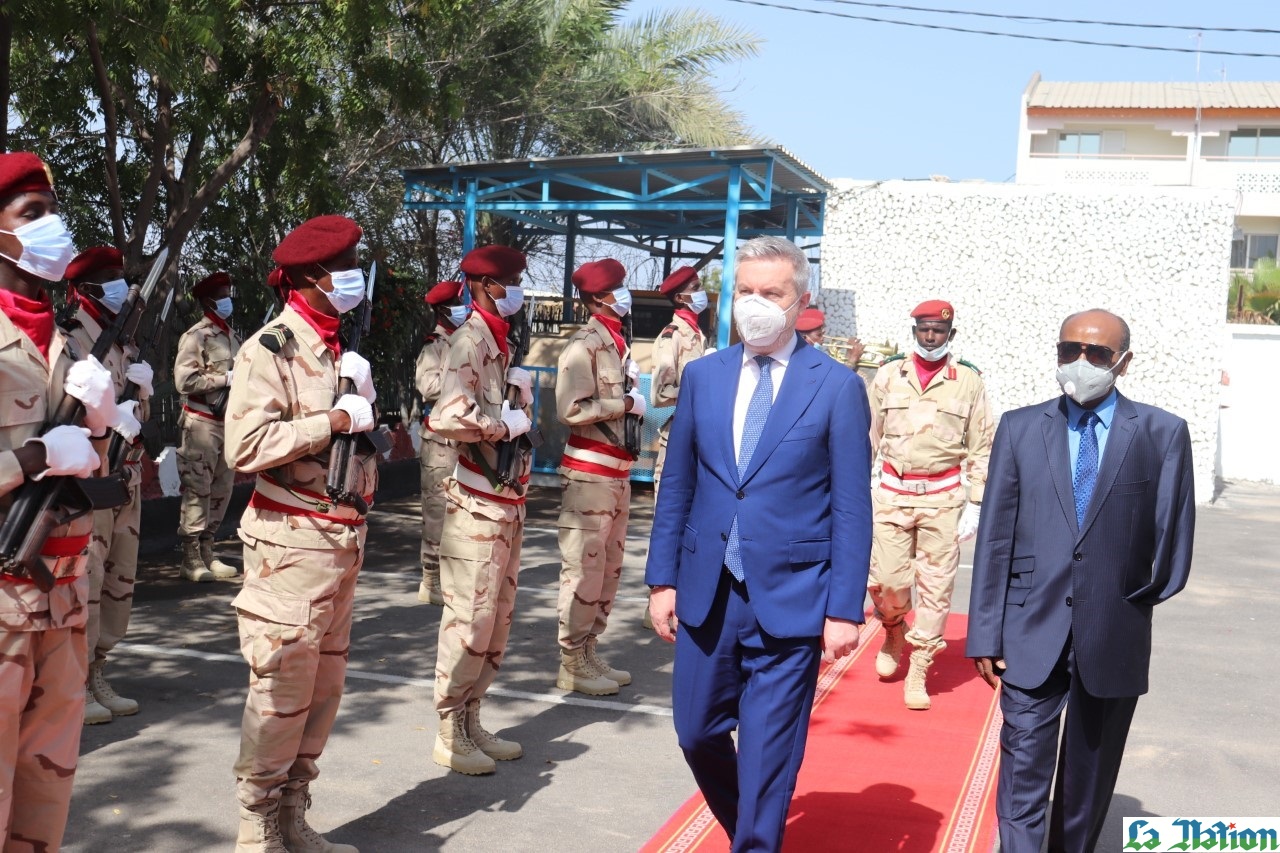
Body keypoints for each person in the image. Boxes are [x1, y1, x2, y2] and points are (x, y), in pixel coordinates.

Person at [645, 235, 872, 852]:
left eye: (770, 293)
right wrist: (661, 579)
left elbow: (853, 507)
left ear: (801, 300)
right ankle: (753, 827)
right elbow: (678, 486)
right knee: (696, 733)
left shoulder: (837, 387)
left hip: (793, 598)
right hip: (706, 592)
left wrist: (844, 609)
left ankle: (756, 842)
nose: (755, 304)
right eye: (745, 291)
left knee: (770, 753)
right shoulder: (703, 376)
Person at [966, 309, 1195, 853]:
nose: (1081, 362)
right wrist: (986, 632)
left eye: (1096, 354)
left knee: (1086, 789)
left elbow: (1172, 543)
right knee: (1021, 779)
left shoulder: (1162, 433)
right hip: (1028, 632)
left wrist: (1124, 605)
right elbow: (995, 537)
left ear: (1123, 362)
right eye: (1070, 349)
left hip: (1112, 634)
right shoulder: (1021, 429)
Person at [224, 214, 377, 852]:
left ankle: (292, 814)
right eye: (345, 265)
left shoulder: (341, 347)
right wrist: (335, 419)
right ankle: (257, 830)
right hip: (290, 544)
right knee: (282, 688)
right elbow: (246, 445)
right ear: (314, 275)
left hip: (339, 540)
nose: (354, 276)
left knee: (322, 690)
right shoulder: (270, 349)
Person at [0, 151, 130, 851]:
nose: (53, 226)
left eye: (53, 211)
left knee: (45, 800)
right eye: (32, 214)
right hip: (1, 604)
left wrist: (100, 428)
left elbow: (86, 477)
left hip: (65, 598)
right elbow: (41, 463)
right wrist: (31, 458)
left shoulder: (62, 340)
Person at [427, 245, 533, 775]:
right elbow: (446, 416)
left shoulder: (499, 342)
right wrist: (499, 423)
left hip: (504, 500)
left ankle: (471, 715)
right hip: (475, 503)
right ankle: (449, 727)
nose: (519, 291)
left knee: (496, 621)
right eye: (512, 282)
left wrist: (518, 407)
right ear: (489, 286)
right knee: (469, 620)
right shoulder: (469, 341)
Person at [866, 300, 992, 710]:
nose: (930, 337)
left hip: (942, 498)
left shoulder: (969, 381)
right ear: (914, 331)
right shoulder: (888, 375)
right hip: (892, 494)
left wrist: (976, 502)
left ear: (950, 335)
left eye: (938, 331)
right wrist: (862, 483)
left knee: (936, 587)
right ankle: (893, 627)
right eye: (923, 329)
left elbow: (981, 445)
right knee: (886, 581)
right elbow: (869, 435)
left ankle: (920, 662)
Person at [62, 245, 153, 725]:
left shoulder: (127, 344)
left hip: (126, 475)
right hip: (92, 479)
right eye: (110, 280)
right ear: (86, 290)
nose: (120, 288)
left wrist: (142, 395)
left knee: (120, 578)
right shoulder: (73, 339)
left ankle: (99, 668)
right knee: (89, 579)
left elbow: (139, 419)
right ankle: (75, 681)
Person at [555, 258, 645, 697]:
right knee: (584, 570)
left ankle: (589, 649)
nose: (624, 294)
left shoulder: (616, 343)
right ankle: (572, 659)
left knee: (608, 569)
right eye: (618, 289)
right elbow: (570, 411)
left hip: (617, 472)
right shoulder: (583, 346)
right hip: (590, 474)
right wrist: (624, 404)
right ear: (597, 298)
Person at [174, 271, 240, 582]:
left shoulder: (231, 336)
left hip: (226, 423)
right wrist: (224, 379)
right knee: (197, 489)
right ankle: (190, 557)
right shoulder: (196, 336)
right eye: (223, 294)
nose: (229, 299)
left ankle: (207, 550)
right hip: (201, 424)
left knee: (221, 489)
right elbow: (184, 380)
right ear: (208, 301)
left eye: (229, 292)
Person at [414, 279, 465, 606]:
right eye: (458, 304)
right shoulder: (433, 347)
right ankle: (430, 579)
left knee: (460, 510)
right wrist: (457, 369)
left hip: (462, 434)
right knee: (437, 509)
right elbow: (430, 388)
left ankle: (451, 575)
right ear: (444, 311)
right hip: (439, 440)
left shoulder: (464, 341)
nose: (464, 309)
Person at [649, 265, 707, 491]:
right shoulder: (671, 336)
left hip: (697, 434)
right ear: (680, 297)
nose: (701, 291)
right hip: (677, 438)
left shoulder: (696, 334)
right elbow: (659, 394)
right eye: (696, 287)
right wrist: (702, 389)